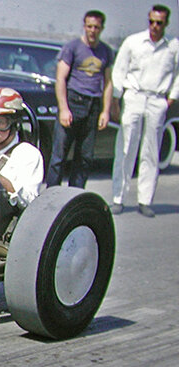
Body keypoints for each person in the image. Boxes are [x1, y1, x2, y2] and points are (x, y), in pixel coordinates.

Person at [111, 4, 179, 217]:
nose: (155, 26)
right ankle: (118, 198)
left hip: (157, 100)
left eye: (159, 23)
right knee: (126, 147)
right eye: (151, 22)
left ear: (166, 24)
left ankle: (145, 200)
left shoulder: (174, 46)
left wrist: (171, 98)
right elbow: (119, 70)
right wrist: (117, 97)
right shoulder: (133, 42)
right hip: (134, 96)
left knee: (150, 151)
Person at [45, 10, 113, 189]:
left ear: (102, 28)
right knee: (59, 156)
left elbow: (108, 82)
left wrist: (105, 111)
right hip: (73, 102)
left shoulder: (105, 51)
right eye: (89, 26)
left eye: (96, 27)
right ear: (84, 26)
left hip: (92, 106)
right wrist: (64, 109)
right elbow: (60, 79)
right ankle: (51, 195)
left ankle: (75, 195)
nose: (92, 30)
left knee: (84, 157)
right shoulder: (72, 47)